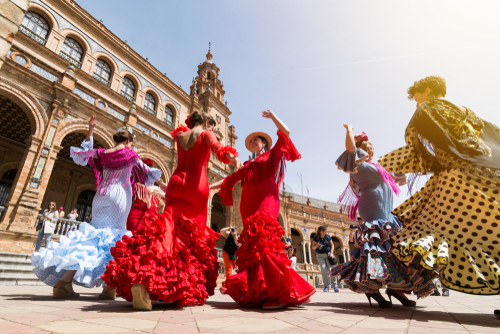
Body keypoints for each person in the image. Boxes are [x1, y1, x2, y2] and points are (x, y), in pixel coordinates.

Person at [376, 76, 500, 317]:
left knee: (447, 233)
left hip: (458, 180)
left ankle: (382, 284)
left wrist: (383, 165)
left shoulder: (428, 109)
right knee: (489, 233)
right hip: (486, 173)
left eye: (417, 97)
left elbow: (419, 151)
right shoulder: (466, 111)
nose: (416, 104)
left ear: (429, 91)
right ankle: (386, 286)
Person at [102, 111, 241, 310]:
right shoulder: (205, 134)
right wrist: (232, 158)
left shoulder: (181, 135)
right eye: (212, 127)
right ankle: (181, 285)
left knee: (167, 231)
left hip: (176, 183)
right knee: (193, 238)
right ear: (208, 123)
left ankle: (143, 279)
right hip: (196, 187)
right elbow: (219, 148)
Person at [31, 115, 161, 300]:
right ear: (129, 141)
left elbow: (83, 154)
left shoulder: (102, 154)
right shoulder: (130, 154)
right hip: (118, 197)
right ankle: (108, 287)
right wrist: (162, 186)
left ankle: (65, 281)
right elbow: (145, 172)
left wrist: (90, 130)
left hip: (100, 196)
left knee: (92, 237)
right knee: (114, 239)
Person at [210, 109, 315, 309]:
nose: (253, 143)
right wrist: (207, 187)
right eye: (251, 142)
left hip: (267, 201)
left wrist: (274, 116)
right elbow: (229, 180)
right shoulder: (247, 164)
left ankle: (275, 292)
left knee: (265, 240)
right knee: (254, 248)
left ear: (264, 143)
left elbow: (287, 133)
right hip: (247, 206)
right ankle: (261, 291)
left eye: (256, 141)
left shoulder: (272, 156)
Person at [331, 125, 437, 308]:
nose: (370, 152)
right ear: (359, 149)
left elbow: (402, 174)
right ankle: (373, 289)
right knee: (377, 251)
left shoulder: (380, 168)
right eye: (366, 148)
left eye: (372, 149)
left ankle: (396, 288)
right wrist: (349, 130)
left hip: (387, 213)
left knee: (395, 251)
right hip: (373, 212)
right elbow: (349, 149)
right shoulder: (358, 165)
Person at [126, 159, 166, 232]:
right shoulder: (137, 185)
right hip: (135, 218)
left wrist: (160, 182)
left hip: (152, 223)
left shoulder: (159, 190)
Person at [312, 226, 338, 293]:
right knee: (323, 269)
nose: (324, 232)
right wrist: (316, 246)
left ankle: (335, 285)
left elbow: (332, 245)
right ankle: (326, 286)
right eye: (323, 231)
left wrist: (331, 253)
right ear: (319, 231)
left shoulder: (328, 237)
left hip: (328, 255)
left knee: (331, 269)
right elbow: (313, 247)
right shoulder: (316, 237)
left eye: (325, 231)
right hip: (320, 255)